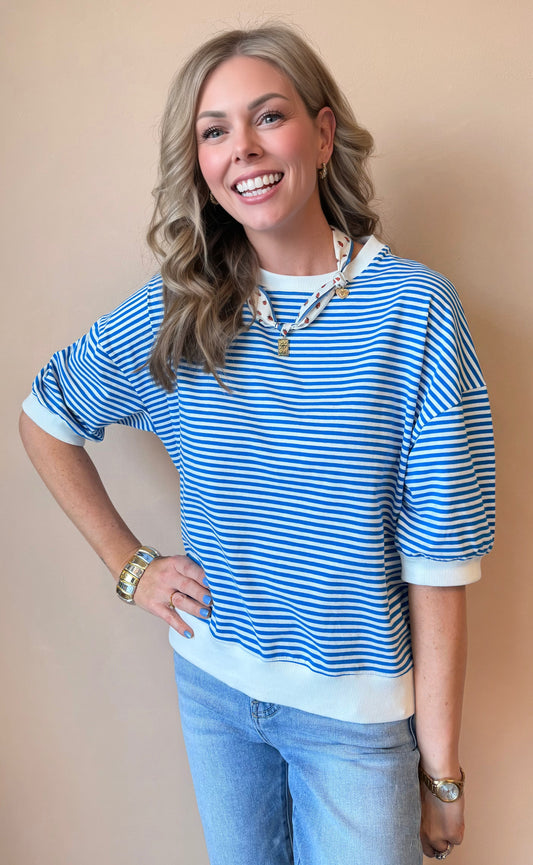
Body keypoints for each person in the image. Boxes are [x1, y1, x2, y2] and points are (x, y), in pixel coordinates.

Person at [19, 23, 495, 865]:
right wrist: (130, 565)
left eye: (266, 117)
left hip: (355, 723)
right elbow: (46, 417)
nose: (242, 148)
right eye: (213, 130)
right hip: (215, 688)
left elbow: (440, 557)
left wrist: (441, 772)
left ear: (320, 134)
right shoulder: (182, 307)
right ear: (199, 162)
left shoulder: (413, 311)